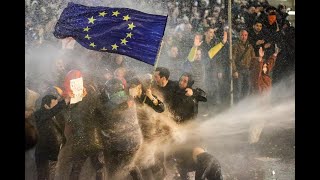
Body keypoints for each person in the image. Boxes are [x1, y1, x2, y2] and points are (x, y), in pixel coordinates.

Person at [34, 94, 70, 180]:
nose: (56, 108)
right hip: (43, 153)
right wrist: (65, 101)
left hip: (54, 153)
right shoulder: (39, 114)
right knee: (43, 176)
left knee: (51, 176)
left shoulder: (58, 116)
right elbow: (52, 112)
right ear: (46, 106)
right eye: (55, 105)